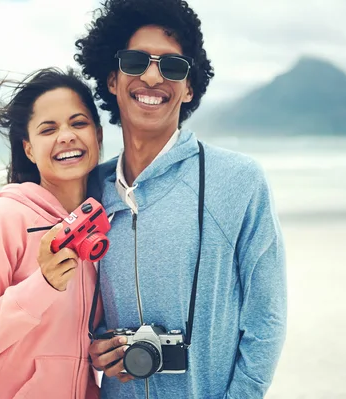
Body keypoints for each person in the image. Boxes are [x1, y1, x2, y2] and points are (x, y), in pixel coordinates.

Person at [75, 0, 287, 398]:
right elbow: (73, 307)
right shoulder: (90, 190)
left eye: (172, 66)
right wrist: (97, 344)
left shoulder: (239, 181)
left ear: (189, 87)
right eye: (136, 61)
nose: (153, 76)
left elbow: (266, 320)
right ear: (111, 79)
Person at [0, 68, 104, 399]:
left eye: (78, 123)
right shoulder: (1, 218)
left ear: (98, 135)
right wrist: (43, 285)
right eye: (49, 129)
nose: (66, 136)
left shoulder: (107, 219)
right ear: (29, 149)